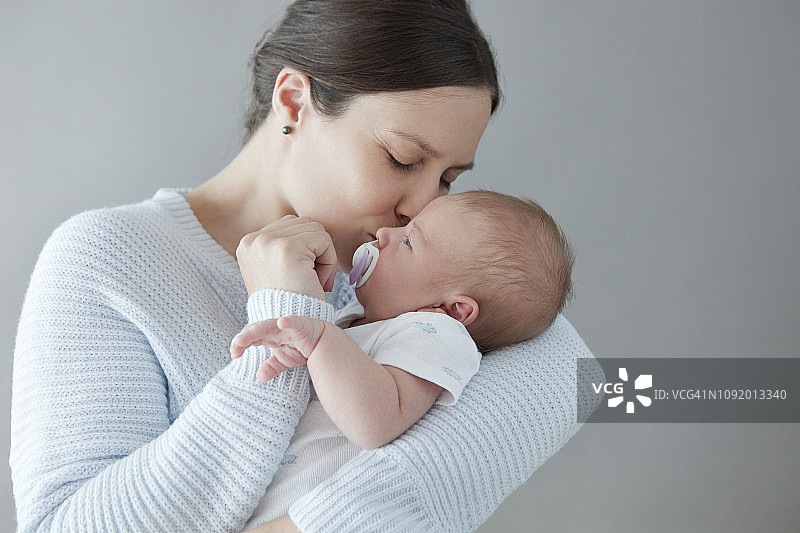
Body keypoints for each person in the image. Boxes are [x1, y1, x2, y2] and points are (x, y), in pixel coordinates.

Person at [10, 1, 597, 532]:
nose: (422, 207)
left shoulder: (423, 288)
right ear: (293, 101)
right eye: (402, 159)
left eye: (446, 178)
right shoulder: (107, 258)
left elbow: (585, 377)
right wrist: (284, 316)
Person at [231, 190, 574, 529]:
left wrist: (321, 340)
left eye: (409, 242)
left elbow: (373, 422)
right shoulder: (362, 315)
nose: (384, 233)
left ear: (454, 309)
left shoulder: (436, 334)